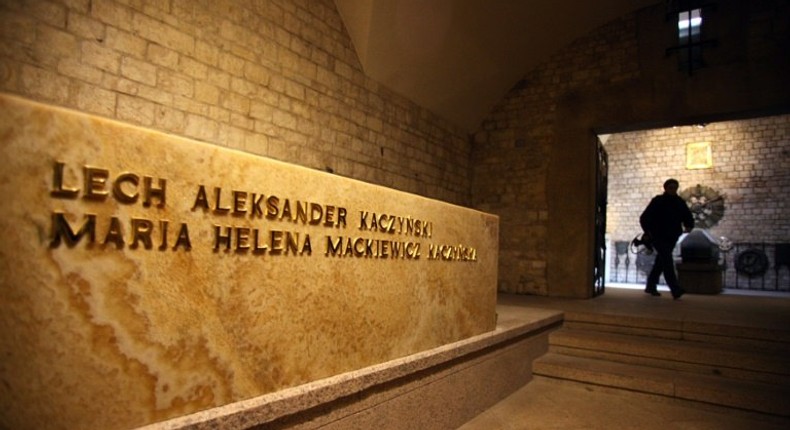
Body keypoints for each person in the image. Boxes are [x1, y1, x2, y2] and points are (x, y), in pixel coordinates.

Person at [639, 179, 695, 299]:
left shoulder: (679, 202)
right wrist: (648, 232)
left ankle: (650, 285)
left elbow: (687, 215)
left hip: (672, 236)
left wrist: (689, 225)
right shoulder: (658, 201)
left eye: (675, 187)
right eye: (670, 187)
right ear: (665, 188)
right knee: (667, 260)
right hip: (658, 236)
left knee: (661, 261)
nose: (672, 190)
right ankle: (675, 289)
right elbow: (644, 217)